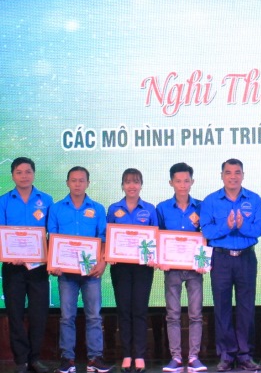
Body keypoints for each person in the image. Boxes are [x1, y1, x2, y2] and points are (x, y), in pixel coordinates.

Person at [200, 159, 261, 372]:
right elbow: (207, 231)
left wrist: (242, 225)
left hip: (246, 258)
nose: (233, 177)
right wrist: (226, 226)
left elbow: (258, 229)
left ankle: (245, 354)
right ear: (222, 176)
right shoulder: (210, 201)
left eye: (237, 172)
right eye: (228, 172)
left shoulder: (254, 199)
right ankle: (226, 355)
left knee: (246, 307)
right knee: (222, 307)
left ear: (243, 175)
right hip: (221, 259)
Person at [47, 166, 112, 373]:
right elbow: (52, 239)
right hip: (66, 274)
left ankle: (95, 359)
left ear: (88, 183)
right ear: (67, 183)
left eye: (81, 180)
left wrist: (103, 262)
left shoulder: (98, 209)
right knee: (67, 317)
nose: (77, 184)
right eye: (73, 180)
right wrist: (53, 264)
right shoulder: (56, 209)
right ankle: (67, 360)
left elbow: (103, 238)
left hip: (91, 272)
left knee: (94, 316)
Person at [0, 157, 53, 373]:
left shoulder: (46, 200)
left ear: (34, 174)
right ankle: (21, 360)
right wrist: (8, 254)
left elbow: (53, 233)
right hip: (12, 267)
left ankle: (35, 359)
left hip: (38, 267)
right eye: (19, 172)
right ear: (12, 175)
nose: (24, 176)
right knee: (15, 314)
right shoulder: (3, 201)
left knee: (38, 314)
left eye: (28, 171)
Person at [156, 163, 207, 373]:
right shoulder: (162, 208)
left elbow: (207, 236)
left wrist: (203, 261)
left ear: (192, 182)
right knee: (173, 315)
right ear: (171, 183)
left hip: (195, 269)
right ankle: (176, 358)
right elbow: (157, 236)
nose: (183, 185)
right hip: (172, 269)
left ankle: (194, 357)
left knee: (196, 314)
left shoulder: (202, 207)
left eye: (186, 181)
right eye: (178, 181)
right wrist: (160, 258)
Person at [107, 169, 158, 373]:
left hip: (143, 268)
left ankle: (140, 355)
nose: (132, 186)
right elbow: (108, 236)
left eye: (136, 182)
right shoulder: (113, 209)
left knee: (139, 310)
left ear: (141, 185)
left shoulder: (150, 209)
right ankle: (127, 354)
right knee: (124, 310)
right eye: (128, 182)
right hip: (120, 268)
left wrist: (153, 256)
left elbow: (155, 238)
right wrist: (110, 252)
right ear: (122, 185)